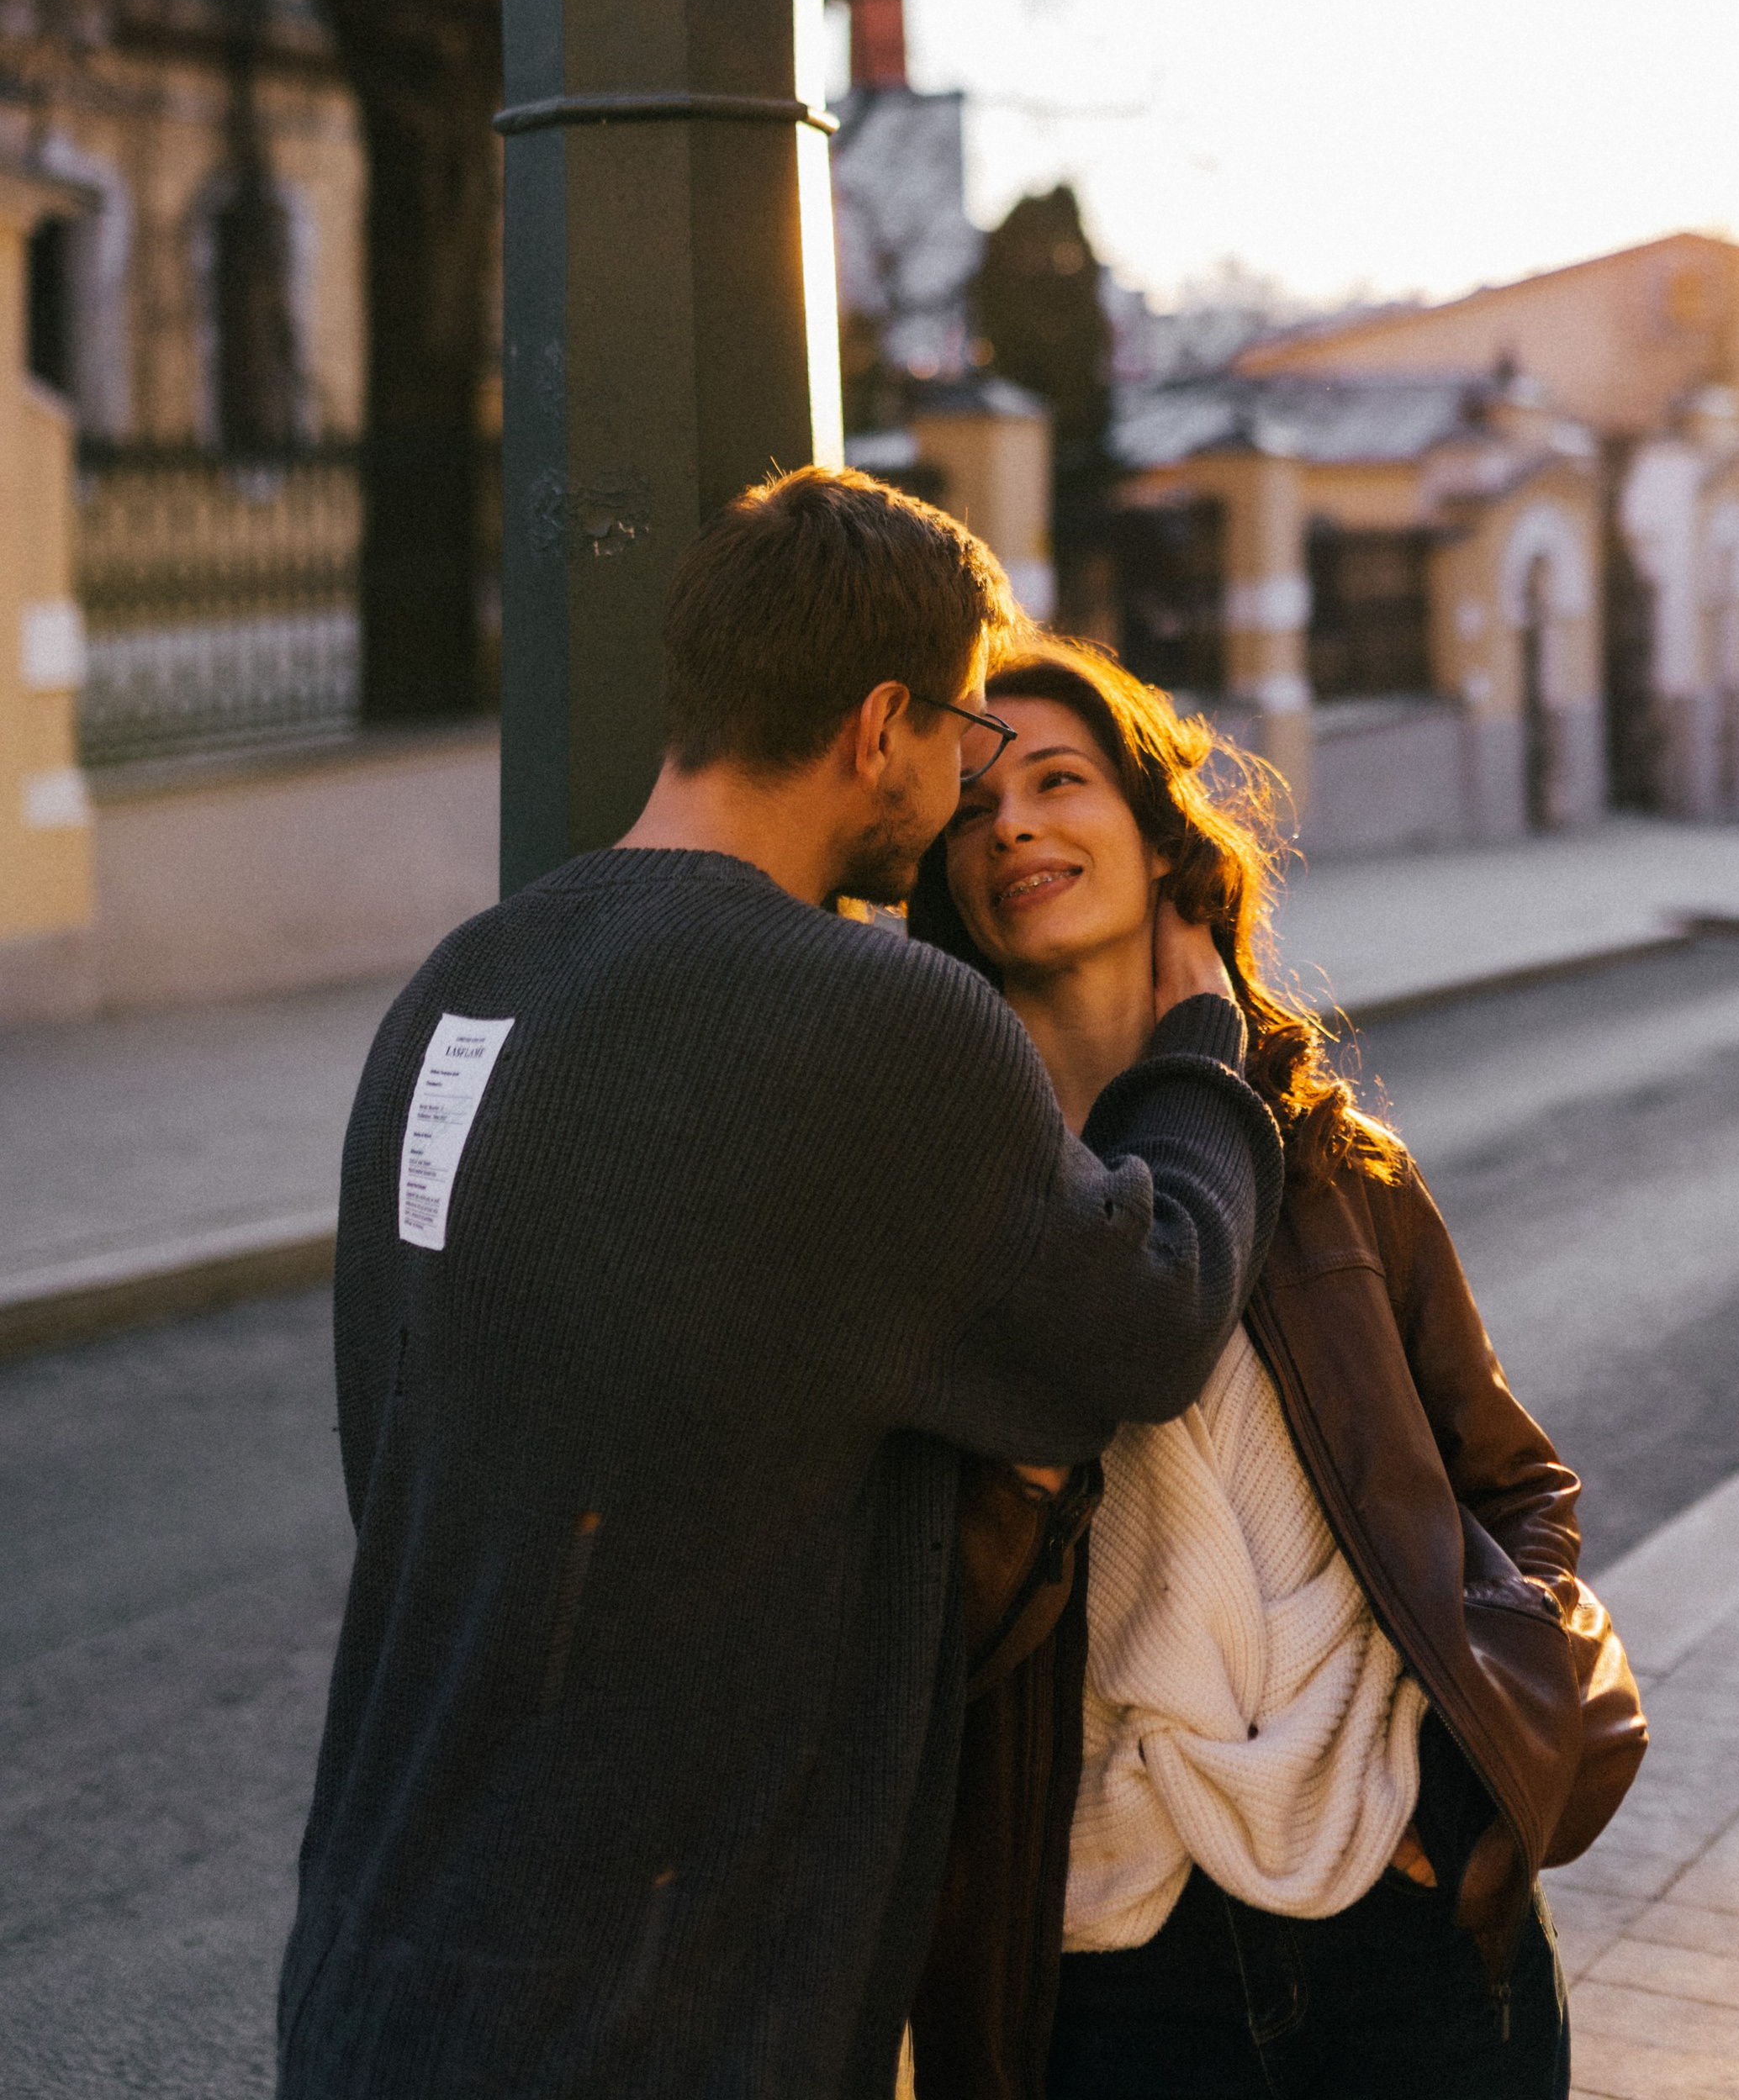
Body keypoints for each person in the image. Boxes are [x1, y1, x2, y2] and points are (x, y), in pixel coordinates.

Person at [278, 472, 1283, 2100]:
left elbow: (390, 1445)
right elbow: (1152, 1309)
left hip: (376, 1967)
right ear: (879, 724)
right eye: (964, 732)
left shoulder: (457, 990)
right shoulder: (874, 1024)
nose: (973, 784)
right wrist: (1194, 1056)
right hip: (659, 2020)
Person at [904, 639, 1646, 2100]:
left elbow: (1514, 1484)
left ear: (1159, 835)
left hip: (1405, 1911)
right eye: (974, 804)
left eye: (1061, 781)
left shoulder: (1328, 1166)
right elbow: (925, 1608)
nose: (1016, 826)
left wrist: (1468, 1784)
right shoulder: (949, 1206)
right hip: (1111, 1955)